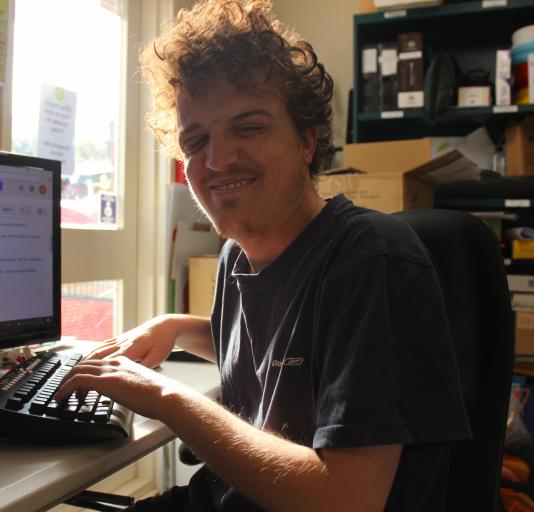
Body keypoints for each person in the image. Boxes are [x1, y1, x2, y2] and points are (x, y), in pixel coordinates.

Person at [55, 1, 472, 510]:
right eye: (196, 138)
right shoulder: (237, 257)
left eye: (249, 126)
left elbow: (344, 499)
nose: (218, 159)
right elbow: (278, 354)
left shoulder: (370, 258)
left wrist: (168, 399)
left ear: (307, 140)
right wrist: (175, 326)